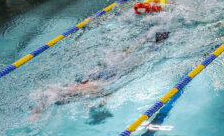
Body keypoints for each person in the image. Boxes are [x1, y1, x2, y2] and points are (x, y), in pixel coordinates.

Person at [31, 30, 171, 119]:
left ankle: (154, 44)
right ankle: (145, 39)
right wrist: (36, 112)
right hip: (97, 75)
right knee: (125, 55)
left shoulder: (76, 92)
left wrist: (102, 102)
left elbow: (104, 91)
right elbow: (48, 95)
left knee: (137, 60)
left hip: (109, 76)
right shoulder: (65, 92)